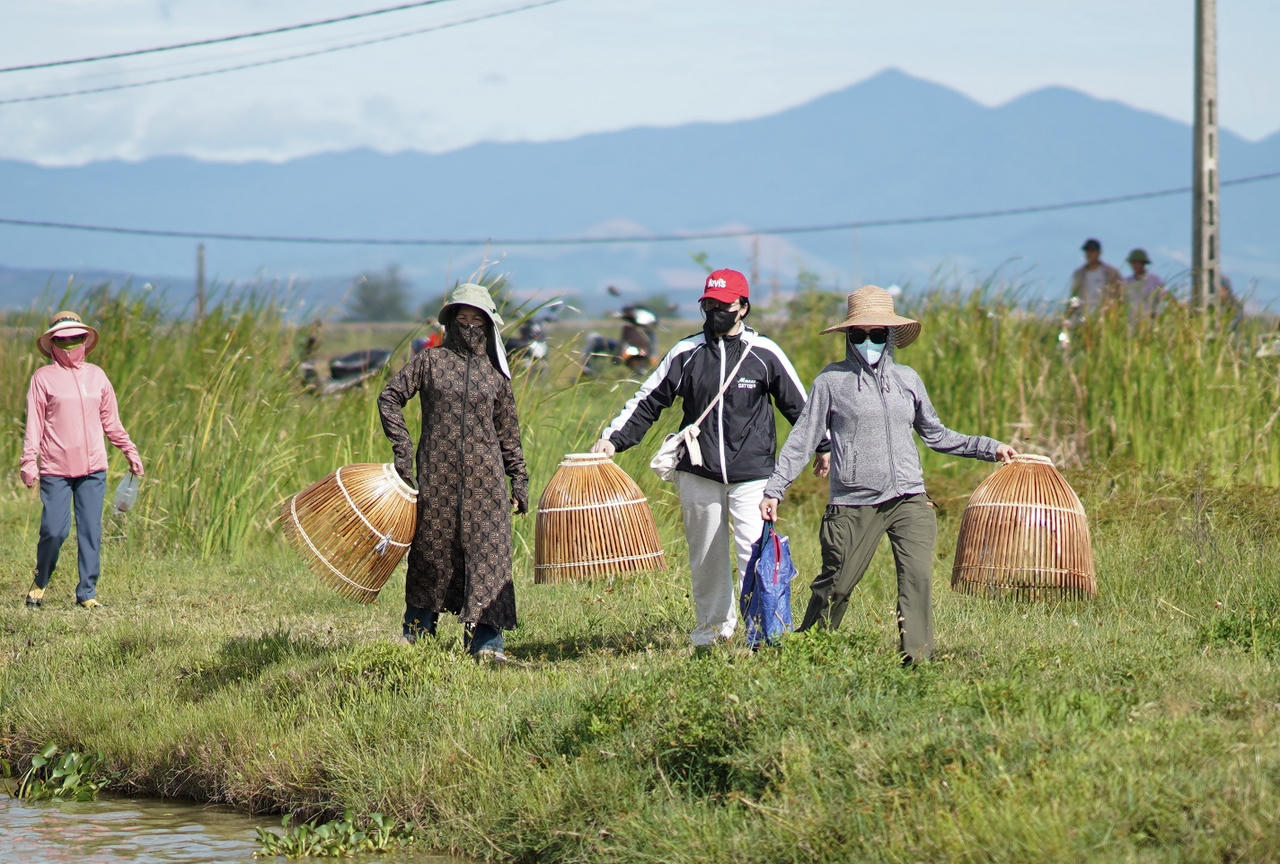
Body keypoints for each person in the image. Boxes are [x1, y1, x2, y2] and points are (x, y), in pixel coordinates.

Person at [759, 285, 1016, 666]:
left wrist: (989, 447)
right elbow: (803, 439)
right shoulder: (831, 381)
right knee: (837, 584)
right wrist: (775, 489)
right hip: (853, 503)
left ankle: (916, 662)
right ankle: (806, 652)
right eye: (858, 334)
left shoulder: (907, 379)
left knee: (916, 580)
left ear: (891, 336)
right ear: (847, 337)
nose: (868, 342)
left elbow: (936, 434)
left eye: (878, 334)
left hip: (909, 499)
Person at [590, 269, 827, 650]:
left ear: (743, 307)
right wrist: (613, 440)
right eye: (709, 304)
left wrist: (824, 445)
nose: (715, 311)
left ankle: (762, 635)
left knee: (755, 553)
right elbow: (648, 400)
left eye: (723, 305)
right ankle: (712, 634)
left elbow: (800, 406)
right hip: (698, 472)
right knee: (706, 557)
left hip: (754, 475)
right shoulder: (685, 353)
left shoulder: (764, 353)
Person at [377, 283, 528, 664]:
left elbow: (509, 434)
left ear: (489, 325)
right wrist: (403, 452)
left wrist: (519, 480)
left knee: (490, 559)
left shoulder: (495, 375)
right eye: (463, 318)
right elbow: (390, 397)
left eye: (477, 320)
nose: (470, 326)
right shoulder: (429, 363)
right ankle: (417, 636)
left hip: (487, 484)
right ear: (450, 321)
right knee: (431, 556)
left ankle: (486, 645)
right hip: (436, 480)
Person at [20, 311, 145, 609]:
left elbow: (111, 422)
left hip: (93, 469)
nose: (70, 344)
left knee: (90, 532)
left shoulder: (97, 376)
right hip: (56, 470)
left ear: (85, 340)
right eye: (63, 339)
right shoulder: (42, 379)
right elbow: (34, 424)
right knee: (54, 530)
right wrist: (29, 461)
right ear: (52, 343)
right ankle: (41, 579)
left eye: (76, 338)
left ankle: (87, 593)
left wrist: (129, 450)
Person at [1067, 238, 1124, 325]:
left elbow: (1119, 293)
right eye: (1087, 251)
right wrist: (1070, 313)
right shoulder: (1079, 274)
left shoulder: (1110, 273)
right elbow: (1074, 295)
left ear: (1099, 253)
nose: (1089, 254)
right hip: (1082, 317)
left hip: (1104, 316)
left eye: (1092, 251)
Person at [1122, 248, 1168, 327]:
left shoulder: (1154, 280)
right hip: (1130, 324)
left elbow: (1165, 299)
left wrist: (1158, 314)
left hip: (1149, 324)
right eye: (1133, 263)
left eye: (1138, 263)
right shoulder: (1126, 282)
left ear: (1143, 263)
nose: (1135, 265)